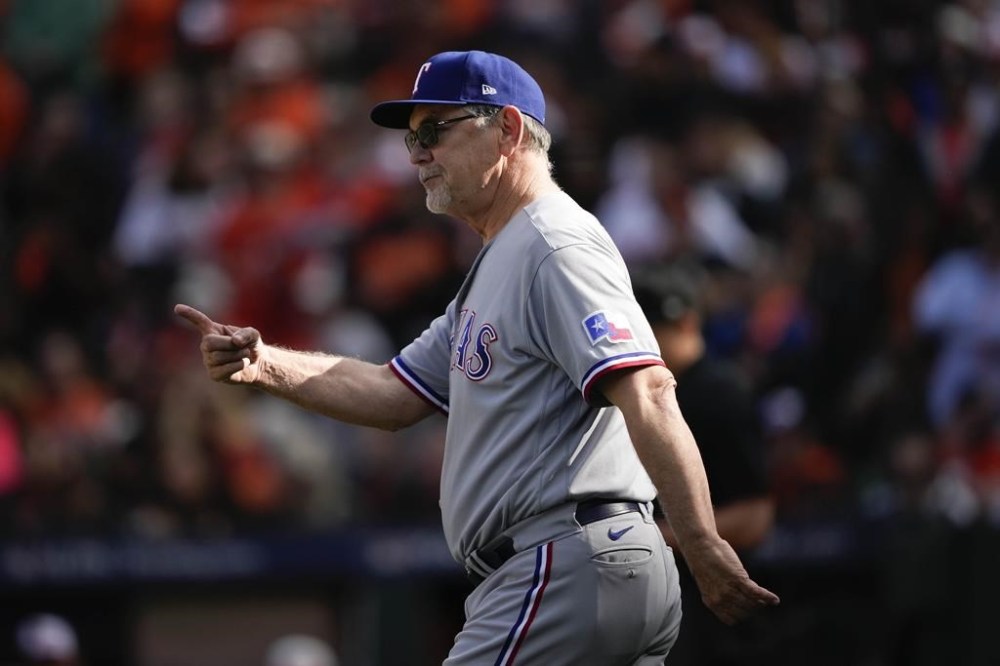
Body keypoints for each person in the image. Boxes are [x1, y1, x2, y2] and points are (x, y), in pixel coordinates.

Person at [176, 50, 779, 664]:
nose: (416, 154)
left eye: (435, 131)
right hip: (582, 561)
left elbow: (647, 390)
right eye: (412, 138)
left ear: (509, 130)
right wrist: (265, 364)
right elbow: (394, 394)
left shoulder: (553, 243)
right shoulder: (505, 258)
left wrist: (702, 541)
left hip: (561, 560)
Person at [632, 263, 776, 665]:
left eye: (653, 329)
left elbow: (755, 517)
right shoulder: (639, 397)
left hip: (717, 616)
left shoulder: (719, 393)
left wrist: (653, 534)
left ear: (687, 322)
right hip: (659, 602)